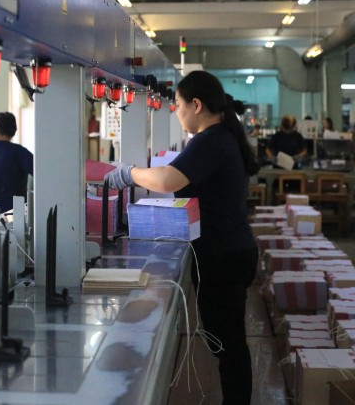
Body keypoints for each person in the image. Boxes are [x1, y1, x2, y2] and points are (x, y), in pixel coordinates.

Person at [104, 70, 259, 405]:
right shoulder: (218, 138)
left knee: (228, 343)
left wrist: (130, 174)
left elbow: (168, 180)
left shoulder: (212, 140)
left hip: (224, 256)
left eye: (177, 105)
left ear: (196, 105)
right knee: (226, 340)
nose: (175, 112)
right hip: (230, 252)